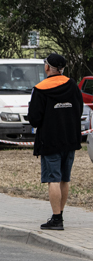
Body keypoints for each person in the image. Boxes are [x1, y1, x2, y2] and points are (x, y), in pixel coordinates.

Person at [27, 53, 84, 230]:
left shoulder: (41, 88)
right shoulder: (72, 85)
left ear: (47, 67)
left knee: (53, 179)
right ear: (62, 68)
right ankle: (60, 214)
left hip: (50, 141)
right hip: (70, 139)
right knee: (64, 179)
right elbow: (79, 109)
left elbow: (34, 119)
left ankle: (56, 218)